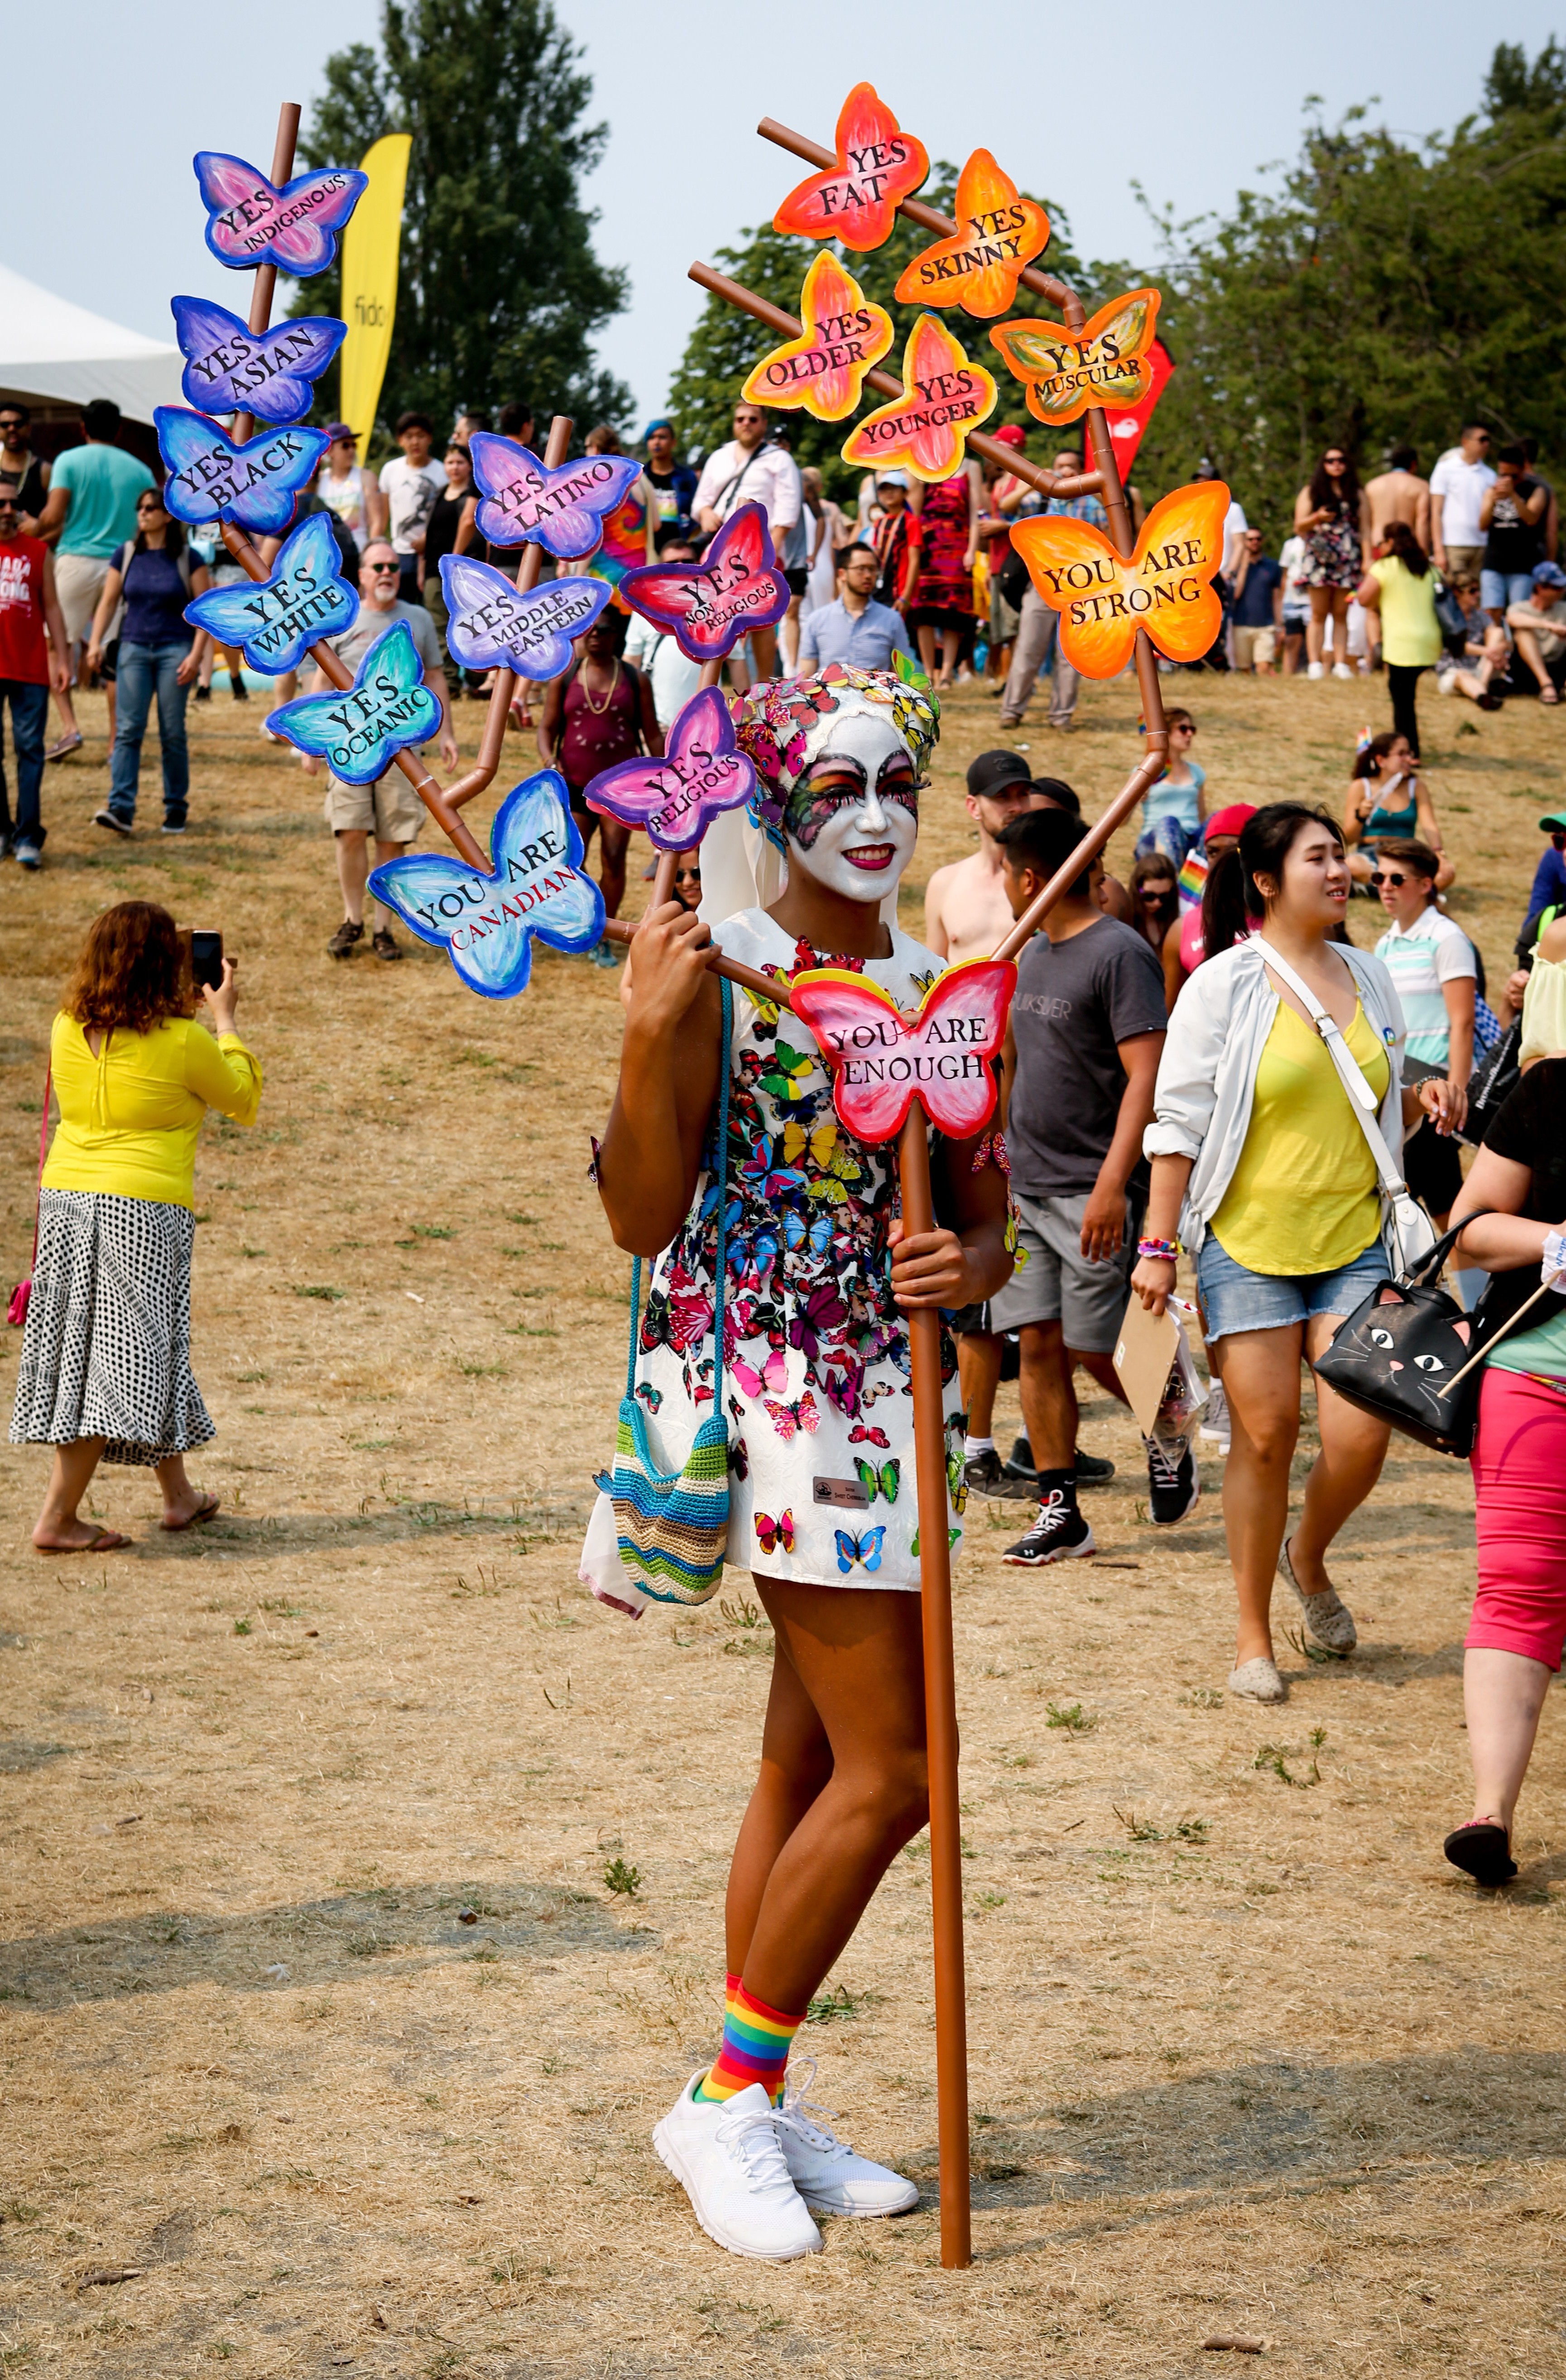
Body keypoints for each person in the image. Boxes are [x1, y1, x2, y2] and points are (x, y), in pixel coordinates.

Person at [584, 664, 1010, 2261]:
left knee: (808, 1766)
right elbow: (640, 1215)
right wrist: (647, 1033)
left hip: (895, 1402)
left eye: (898, 781)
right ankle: (724, 2095)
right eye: (836, 786)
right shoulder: (722, 971)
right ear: (768, 796)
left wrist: (966, 1267)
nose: (875, 815)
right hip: (775, 1392)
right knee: (898, 1770)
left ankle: (747, 2099)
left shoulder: (945, 984)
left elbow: (986, 1222)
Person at [1133, 804, 1457, 1703]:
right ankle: (1251, 1635)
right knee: (1266, 1433)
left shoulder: (1370, 974)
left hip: (1355, 1242)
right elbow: (1178, 1122)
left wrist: (1423, 1099)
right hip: (1245, 1245)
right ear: (1267, 881)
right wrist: (1156, 1245)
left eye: (1340, 853)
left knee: (1361, 1433)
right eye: (1318, 857)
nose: (1340, 870)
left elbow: (1370, 1089)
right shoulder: (1221, 985)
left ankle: (1304, 1555)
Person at [10, 901, 262, 1550]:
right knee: (122, 1360)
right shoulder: (183, 1042)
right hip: (142, 1212)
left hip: (67, 1201)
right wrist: (226, 1021)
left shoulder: (66, 1025)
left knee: (141, 1346)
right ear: (160, 965)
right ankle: (57, 1518)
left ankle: (179, 1496)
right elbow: (242, 1099)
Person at [981, 805, 1174, 1560]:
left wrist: (1111, 1184)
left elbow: (1145, 1078)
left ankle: (1170, 1419)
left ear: (1031, 878)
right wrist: (999, 1161)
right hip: (1028, 1187)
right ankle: (1059, 1509)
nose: (1002, 885)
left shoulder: (1118, 954)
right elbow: (1013, 1064)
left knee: (1099, 1346)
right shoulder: (1030, 953)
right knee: (1037, 1343)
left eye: (1006, 872)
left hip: (1092, 1187)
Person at [1444, 1062, 1566, 1885]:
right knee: (1518, 1587)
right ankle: (1490, 1814)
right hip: (1534, 1376)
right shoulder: (1551, 1091)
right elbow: (1469, 1230)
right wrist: (1553, 1241)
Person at [303, 538, 459, 960]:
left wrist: (447, 733)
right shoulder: (342, 618)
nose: (387, 572)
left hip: (401, 749)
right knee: (350, 830)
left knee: (393, 836)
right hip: (350, 747)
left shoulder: (418, 618)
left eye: (393, 566)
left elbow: (435, 677)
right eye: (378, 567)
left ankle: (382, 929)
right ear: (363, 576)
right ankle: (352, 920)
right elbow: (322, 680)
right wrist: (311, 743)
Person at [85, 488, 211, 838]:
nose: (143, 513)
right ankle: (120, 808)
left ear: (168, 516)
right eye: (140, 507)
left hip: (176, 650)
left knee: (173, 733)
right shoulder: (126, 554)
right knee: (128, 730)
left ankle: (176, 808)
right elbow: (109, 601)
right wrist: (94, 643)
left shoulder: (189, 558)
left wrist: (196, 655)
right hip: (134, 648)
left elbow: (205, 613)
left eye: (151, 508)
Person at [33, 399, 154, 759]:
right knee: (116, 655)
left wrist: (29, 529)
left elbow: (53, 517)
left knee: (56, 645)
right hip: (125, 562)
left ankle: (70, 728)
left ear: (83, 428)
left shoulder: (68, 461)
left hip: (76, 561)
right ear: (120, 429)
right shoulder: (141, 470)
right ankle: (117, 739)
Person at [537, 606, 660, 955]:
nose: (594, 636)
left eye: (602, 630)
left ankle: (604, 934)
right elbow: (547, 728)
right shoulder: (565, 677)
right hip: (574, 785)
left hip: (620, 790)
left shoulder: (635, 679)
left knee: (615, 856)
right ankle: (583, 921)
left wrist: (670, 775)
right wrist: (549, 760)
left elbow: (651, 733)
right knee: (571, 860)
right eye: (588, 631)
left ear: (615, 635)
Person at [1372, 838, 1474, 1225]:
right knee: (1443, 1203)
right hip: (1404, 1092)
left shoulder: (1447, 938)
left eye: (1397, 879)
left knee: (1405, 1201)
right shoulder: (1384, 945)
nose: (1385, 887)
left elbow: (1462, 1022)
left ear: (1426, 884)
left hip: (1436, 1092)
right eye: (1379, 877)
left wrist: (1455, 1097)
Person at [692, 402, 801, 680]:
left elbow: (788, 510)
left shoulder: (779, 459)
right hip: (718, 550)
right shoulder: (719, 457)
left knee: (761, 617)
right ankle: (712, 683)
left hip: (761, 549)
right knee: (715, 615)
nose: (746, 423)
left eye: (753, 419)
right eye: (740, 419)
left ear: (764, 424)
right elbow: (701, 502)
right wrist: (705, 513)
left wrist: (768, 555)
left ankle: (763, 686)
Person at [999, 451, 1106, 730]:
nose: (1065, 471)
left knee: (1070, 654)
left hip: (1082, 587)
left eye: (1072, 467)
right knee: (1028, 648)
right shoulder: (1040, 499)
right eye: (1060, 466)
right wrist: (1035, 481)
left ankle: (1062, 716)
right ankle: (1012, 711)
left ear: (1081, 471)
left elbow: (1110, 537)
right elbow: (1006, 507)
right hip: (1041, 584)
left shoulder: (1091, 504)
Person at [0, 485, 70, 867]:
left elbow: (53, 608)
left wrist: (62, 659)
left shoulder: (39, 551)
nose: (9, 509)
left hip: (29, 667)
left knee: (30, 751)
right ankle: (2, 830)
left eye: (15, 504)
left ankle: (28, 836)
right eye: (2, 503)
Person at [1357, 521, 1443, 757]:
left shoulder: (1385, 567)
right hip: (1430, 641)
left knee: (1402, 700)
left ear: (1390, 542)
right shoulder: (1429, 568)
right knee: (1407, 696)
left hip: (1402, 644)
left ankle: (1408, 753)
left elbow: (1363, 598)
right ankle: (1409, 748)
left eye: (1381, 543)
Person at [1161, 804, 1258, 1010]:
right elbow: (1170, 1014)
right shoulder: (1182, 930)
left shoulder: (1296, 923)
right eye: (1213, 852)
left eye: (1234, 851)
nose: (1221, 861)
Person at [1343, 730, 1453, 891]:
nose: (1409, 759)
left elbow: (1429, 825)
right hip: (1371, 854)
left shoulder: (1416, 786)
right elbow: (1348, 839)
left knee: (1447, 873)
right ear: (1381, 761)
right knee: (1351, 865)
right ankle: (1408, 890)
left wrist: (1439, 855)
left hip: (1405, 854)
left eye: (1409, 753)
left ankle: (1380, 886)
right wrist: (1360, 817)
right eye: (1401, 754)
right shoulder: (1361, 786)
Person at [905, 458, 982, 687]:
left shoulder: (971, 466)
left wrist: (972, 550)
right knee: (923, 613)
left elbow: (975, 515)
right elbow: (913, 511)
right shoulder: (921, 462)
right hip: (926, 548)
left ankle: (947, 673)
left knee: (953, 614)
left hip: (958, 548)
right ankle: (929, 674)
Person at [1293, 446, 1368, 678]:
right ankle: (1315, 664)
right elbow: (1298, 526)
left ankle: (1340, 664)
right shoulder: (1312, 491)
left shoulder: (1357, 493)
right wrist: (1319, 517)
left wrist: (1367, 560)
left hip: (1347, 558)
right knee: (1318, 613)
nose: (1336, 464)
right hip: (1319, 558)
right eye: (1331, 461)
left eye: (1341, 460)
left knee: (1341, 612)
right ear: (1323, 464)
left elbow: (1366, 529)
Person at [624, 534, 704, 732]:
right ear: (660, 569)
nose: (680, 566)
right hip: (659, 726)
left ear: (698, 564)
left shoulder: (718, 607)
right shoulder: (644, 608)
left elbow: (737, 664)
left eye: (687, 561)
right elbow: (631, 664)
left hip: (705, 725)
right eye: (672, 563)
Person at [797, 543, 914, 675]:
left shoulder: (892, 620)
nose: (868, 575)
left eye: (872, 569)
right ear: (842, 574)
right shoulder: (817, 620)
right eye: (861, 569)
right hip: (827, 688)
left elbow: (903, 677)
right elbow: (806, 677)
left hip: (876, 688)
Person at [422, 440, 476, 701]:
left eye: (460, 462)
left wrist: (454, 560)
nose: (455, 467)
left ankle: (473, 679)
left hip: (464, 569)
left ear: (469, 467)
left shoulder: (473, 497)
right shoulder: (439, 494)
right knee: (440, 626)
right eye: (450, 462)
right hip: (434, 570)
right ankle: (450, 682)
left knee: (471, 623)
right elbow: (429, 536)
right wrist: (422, 569)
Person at [584, 424, 656, 608]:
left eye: (587, 448)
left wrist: (576, 574)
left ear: (595, 449)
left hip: (604, 574)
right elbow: (656, 524)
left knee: (605, 626)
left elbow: (590, 535)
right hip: (639, 573)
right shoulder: (641, 479)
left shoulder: (598, 483)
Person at [378, 412, 446, 604]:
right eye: (409, 437)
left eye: (421, 436)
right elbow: (383, 517)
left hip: (433, 555)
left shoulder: (442, 472)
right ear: (400, 440)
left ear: (430, 439)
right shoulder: (390, 470)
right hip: (400, 552)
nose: (415, 442)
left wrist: (428, 538)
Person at [1479, 445, 1547, 626]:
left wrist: (1513, 495)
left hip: (1522, 564)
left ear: (1522, 469)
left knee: (1519, 613)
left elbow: (1531, 519)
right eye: (1503, 475)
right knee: (1491, 611)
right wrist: (1493, 501)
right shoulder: (1491, 491)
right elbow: (1482, 525)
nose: (1507, 480)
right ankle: (1495, 641)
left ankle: (1515, 644)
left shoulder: (1536, 491)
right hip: (1494, 562)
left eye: (1513, 476)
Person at [1430, 422, 1495, 592]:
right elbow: (1436, 512)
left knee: (1476, 596)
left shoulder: (1490, 475)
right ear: (1466, 441)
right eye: (1482, 440)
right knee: (1456, 593)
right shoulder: (1445, 469)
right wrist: (1438, 550)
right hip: (1454, 544)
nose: (1486, 445)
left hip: (1481, 545)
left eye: (1488, 440)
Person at [1136, 707, 1206, 864]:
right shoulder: (1146, 771)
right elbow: (1122, 823)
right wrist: (1134, 800)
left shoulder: (1197, 772)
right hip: (1155, 843)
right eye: (1183, 729)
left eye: (1192, 729)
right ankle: (1172, 878)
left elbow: (1202, 816)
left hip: (1190, 839)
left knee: (1218, 821)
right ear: (1165, 733)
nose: (1190, 734)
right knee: (1169, 823)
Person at [314, 423, 384, 561]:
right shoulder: (320, 481)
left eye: (354, 445)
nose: (352, 450)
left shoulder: (366, 477)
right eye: (345, 446)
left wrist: (371, 556)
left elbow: (377, 521)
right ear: (330, 451)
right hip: (326, 557)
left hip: (358, 553)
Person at [1434, 578, 1505, 710]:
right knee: (1462, 676)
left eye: (1478, 590)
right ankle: (1483, 695)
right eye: (1472, 591)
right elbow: (1456, 644)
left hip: (1480, 669)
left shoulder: (1481, 616)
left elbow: (1505, 642)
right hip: (1453, 670)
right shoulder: (1447, 616)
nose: (1478, 595)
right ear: (1457, 592)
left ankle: (1482, 686)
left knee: (1498, 632)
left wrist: (1497, 651)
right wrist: (1488, 652)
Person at [1505, 560, 1566, 703]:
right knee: (1523, 633)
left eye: (1563, 587)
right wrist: (1549, 626)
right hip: (1526, 671)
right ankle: (1546, 684)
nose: (1562, 591)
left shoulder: (1563, 608)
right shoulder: (1520, 608)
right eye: (1557, 587)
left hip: (1557, 667)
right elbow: (1513, 619)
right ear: (1540, 588)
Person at [1230, 531, 1282, 673]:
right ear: (1244, 542)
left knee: (1264, 666)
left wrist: (1279, 625)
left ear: (1262, 540)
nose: (1255, 542)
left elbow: (1277, 598)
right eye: (1251, 539)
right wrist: (1244, 566)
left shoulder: (1273, 566)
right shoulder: (1235, 567)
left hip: (1266, 625)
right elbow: (1236, 594)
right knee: (1244, 669)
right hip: (1240, 624)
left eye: (1258, 539)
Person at [1364, 444, 1431, 552]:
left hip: (1379, 545)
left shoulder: (1372, 486)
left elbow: (1365, 524)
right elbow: (1423, 521)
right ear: (1414, 464)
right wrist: (1424, 552)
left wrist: (1366, 555)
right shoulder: (1421, 486)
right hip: (1408, 547)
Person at [643, 419, 697, 542]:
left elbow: (695, 512)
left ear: (673, 443)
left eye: (662, 437)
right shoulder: (640, 477)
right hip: (646, 544)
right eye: (652, 438)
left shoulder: (687, 477)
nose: (657, 442)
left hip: (679, 545)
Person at [869, 471, 914, 614]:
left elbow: (915, 561)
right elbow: (876, 554)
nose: (889, 493)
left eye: (894, 488)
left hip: (900, 592)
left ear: (905, 493)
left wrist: (906, 596)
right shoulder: (879, 523)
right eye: (885, 489)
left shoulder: (911, 522)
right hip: (880, 588)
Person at [0, 402, 51, 527]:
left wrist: (38, 527)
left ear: (29, 428)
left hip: (32, 537)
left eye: (18, 424)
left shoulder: (45, 471)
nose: (12, 429)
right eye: (5, 425)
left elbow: (56, 520)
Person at [1130, 853, 1180, 960]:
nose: (1157, 903)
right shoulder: (1126, 918)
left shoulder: (1175, 919)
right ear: (1137, 889)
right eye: (1149, 896)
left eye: (1164, 896)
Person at [1277, 531, 1311, 675]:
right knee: (1291, 640)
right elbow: (1285, 575)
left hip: (1312, 600)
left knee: (1313, 640)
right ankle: (1287, 675)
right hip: (1292, 600)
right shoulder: (1290, 545)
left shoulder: (1319, 541)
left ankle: (1312, 672)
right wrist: (1282, 600)